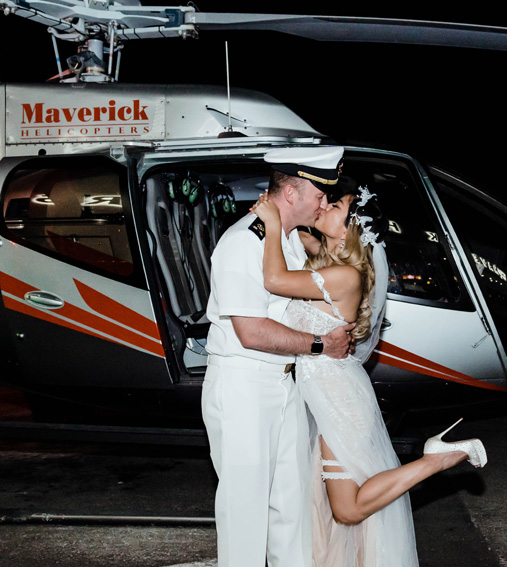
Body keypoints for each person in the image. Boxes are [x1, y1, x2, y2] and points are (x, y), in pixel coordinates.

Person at [251, 179, 488, 567]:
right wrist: (292, 220)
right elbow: (308, 243)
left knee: (348, 510)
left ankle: (438, 458)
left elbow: (275, 279)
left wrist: (273, 222)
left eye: (336, 207)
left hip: (338, 397)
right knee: (335, 514)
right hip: (325, 395)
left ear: (349, 231)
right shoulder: (329, 263)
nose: (325, 206)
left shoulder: (345, 277)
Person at [201, 146, 355, 567]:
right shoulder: (241, 243)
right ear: (291, 192)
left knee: (292, 511)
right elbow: (251, 332)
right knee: (245, 515)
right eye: (319, 194)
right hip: (244, 386)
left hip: (284, 382)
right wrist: (322, 345)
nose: (325, 203)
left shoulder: (285, 240)